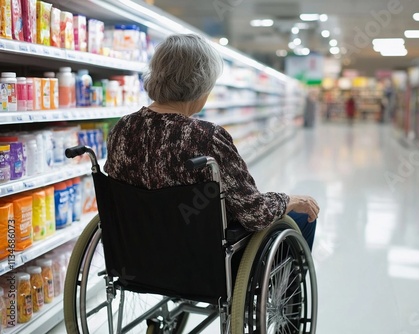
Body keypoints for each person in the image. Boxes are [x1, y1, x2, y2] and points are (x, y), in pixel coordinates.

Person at [104, 34, 319, 249]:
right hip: (197, 259)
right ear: (200, 84)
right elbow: (254, 213)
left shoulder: (121, 128)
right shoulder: (207, 137)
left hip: (137, 254)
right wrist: (289, 200)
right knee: (303, 218)